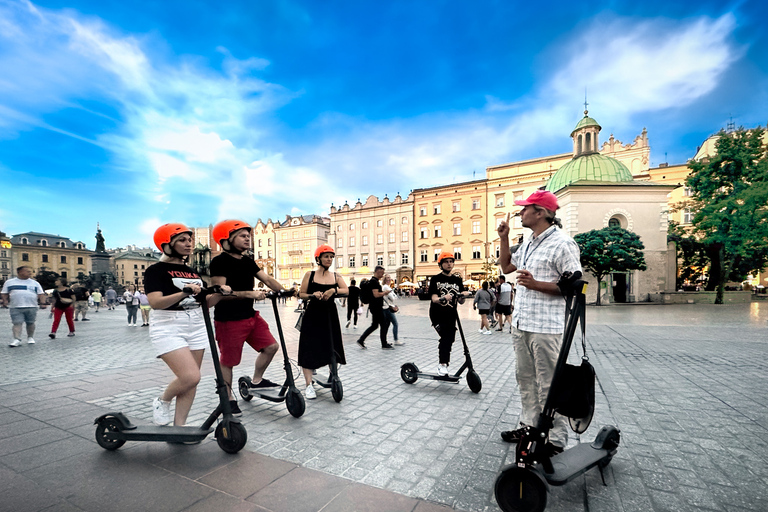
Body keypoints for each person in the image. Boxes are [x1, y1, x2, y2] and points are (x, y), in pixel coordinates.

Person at [497, 190, 582, 456]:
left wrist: (537, 285)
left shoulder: (563, 244)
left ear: (541, 212)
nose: (521, 212)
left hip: (546, 328)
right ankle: (530, 426)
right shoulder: (530, 242)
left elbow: (576, 286)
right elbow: (506, 267)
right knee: (525, 379)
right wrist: (503, 238)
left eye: (525, 209)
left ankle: (555, 441)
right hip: (522, 324)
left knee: (549, 384)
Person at [144, 223, 222, 427]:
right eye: (182, 240)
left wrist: (220, 294)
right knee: (190, 376)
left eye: (190, 240)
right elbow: (156, 303)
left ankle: (180, 427)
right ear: (167, 244)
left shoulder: (191, 271)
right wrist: (184, 292)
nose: (189, 244)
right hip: (168, 324)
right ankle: (163, 400)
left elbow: (205, 303)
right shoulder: (156, 270)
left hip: (195, 323)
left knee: (192, 381)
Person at [210, 220, 284, 415]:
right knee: (228, 361)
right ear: (227, 239)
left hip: (250, 316)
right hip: (229, 319)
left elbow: (266, 279)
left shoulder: (247, 260)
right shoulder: (219, 262)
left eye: (248, 236)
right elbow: (220, 294)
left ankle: (256, 381)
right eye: (242, 236)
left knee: (271, 347)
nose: (247, 239)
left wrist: (284, 290)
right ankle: (227, 396)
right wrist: (250, 294)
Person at [298, 245, 349, 399]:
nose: (329, 259)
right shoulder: (310, 274)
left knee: (331, 345)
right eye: (326, 256)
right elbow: (301, 293)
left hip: (329, 315)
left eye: (331, 257)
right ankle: (308, 385)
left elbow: (346, 290)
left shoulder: (336, 276)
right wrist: (313, 295)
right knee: (308, 347)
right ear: (318, 258)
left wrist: (333, 290)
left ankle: (333, 376)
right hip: (313, 315)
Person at [429, 252, 469, 375]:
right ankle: (442, 365)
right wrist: (442, 298)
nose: (449, 264)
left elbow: (461, 301)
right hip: (437, 315)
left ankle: (444, 363)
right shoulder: (436, 279)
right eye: (446, 262)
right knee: (445, 338)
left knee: (450, 338)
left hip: (451, 314)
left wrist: (464, 295)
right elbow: (434, 298)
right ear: (441, 264)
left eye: (451, 261)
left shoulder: (457, 279)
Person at [1, 266, 47, 346]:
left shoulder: (35, 283)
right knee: (17, 323)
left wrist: (43, 303)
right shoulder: (10, 282)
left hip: (32, 306)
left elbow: (41, 294)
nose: (30, 273)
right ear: (20, 272)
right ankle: (16, 339)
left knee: (30, 322)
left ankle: (30, 337)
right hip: (15, 306)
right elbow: (4, 293)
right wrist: (5, 301)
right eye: (28, 271)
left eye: (30, 271)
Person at [354, 265, 393, 350]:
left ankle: (361, 340)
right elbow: (376, 295)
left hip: (375, 307)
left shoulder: (374, 281)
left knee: (375, 325)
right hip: (376, 307)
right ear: (377, 271)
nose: (382, 275)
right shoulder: (374, 282)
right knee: (384, 323)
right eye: (382, 273)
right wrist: (384, 293)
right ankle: (384, 344)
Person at [381, 274, 403, 345]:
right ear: (384, 279)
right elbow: (393, 298)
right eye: (387, 278)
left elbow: (395, 297)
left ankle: (385, 341)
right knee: (395, 324)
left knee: (387, 325)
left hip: (389, 307)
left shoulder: (389, 287)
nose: (389, 279)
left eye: (389, 278)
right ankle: (396, 340)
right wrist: (393, 296)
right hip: (388, 308)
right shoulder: (385, 287)